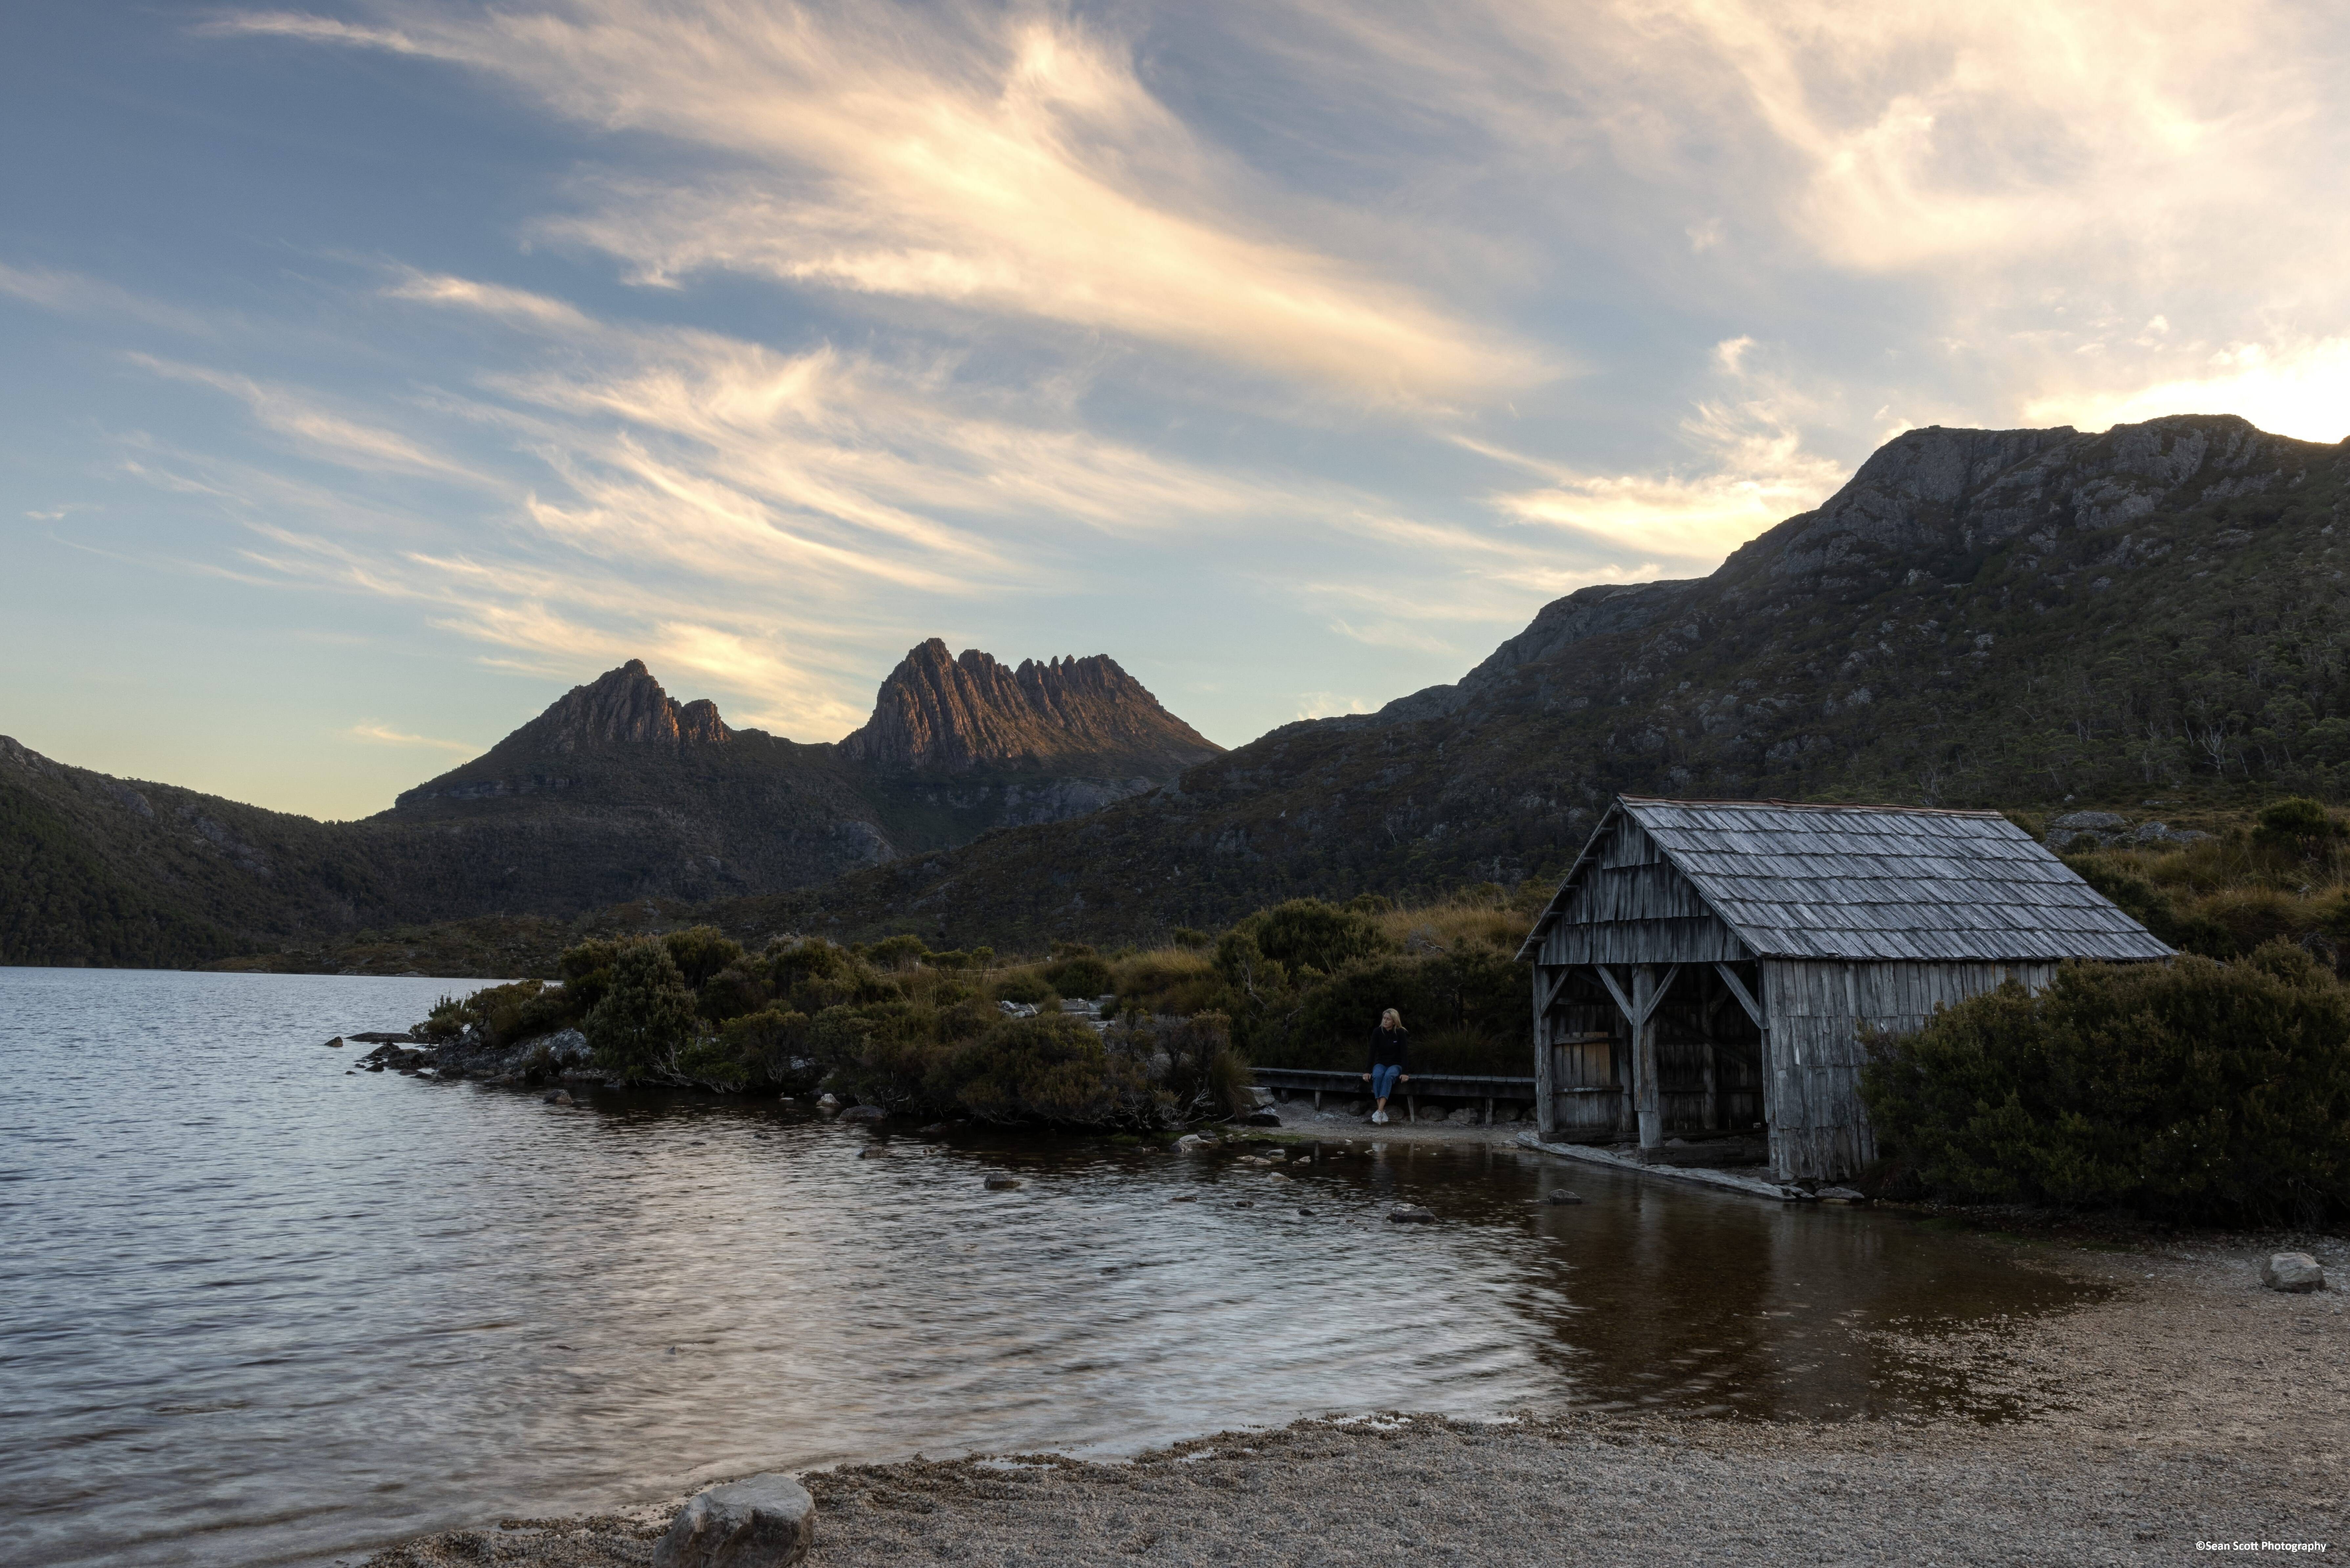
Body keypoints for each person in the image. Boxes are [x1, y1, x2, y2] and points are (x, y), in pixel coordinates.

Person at [1361, 1007, 1409, 1124]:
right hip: (1381, 1063)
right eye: (1384, 1018)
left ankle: (1380, 1111)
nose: (1385, 1021)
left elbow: (1405, 1054)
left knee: (1388, 1076)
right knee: (1377, 1076)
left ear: (1394, 1021)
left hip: (1396, 1065)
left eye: (1388, 1019)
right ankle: (1381, 1112)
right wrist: (1367, 1071)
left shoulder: (1401, 1033)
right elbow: (1372, 1052)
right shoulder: (1377, 1032)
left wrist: (1405, 1073)